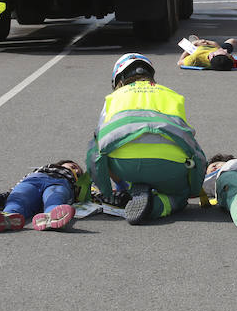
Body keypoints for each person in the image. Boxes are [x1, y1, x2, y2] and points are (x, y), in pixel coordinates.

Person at [87, 53, 207, 225]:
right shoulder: (172, 94)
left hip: (124, 165)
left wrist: (106, 191)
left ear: (117, 80)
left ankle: (126, 188)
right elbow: (186, 137)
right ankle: (155, 205)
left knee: (100, 143)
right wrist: (192, 189)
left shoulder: (112, 99)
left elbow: (99, 143)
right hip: (168, 164)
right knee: (178, 196)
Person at [0, 160, 84, 232]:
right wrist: (6, 195)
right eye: (72, 165)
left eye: (78, 172)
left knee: (55, 196)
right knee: (20, 197)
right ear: (61, 164)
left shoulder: (78, 183)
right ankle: (8, 216)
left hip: (59, 183)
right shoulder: (46, 168)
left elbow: (93, 194)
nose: (76, 169)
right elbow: (18, 187)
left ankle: (51, 216)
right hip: (33, 180)